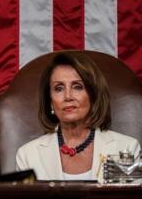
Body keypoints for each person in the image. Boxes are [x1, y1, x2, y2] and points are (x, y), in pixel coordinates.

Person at [16, 51, 141, 181]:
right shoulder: (28, 155)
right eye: (59, 88)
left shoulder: (126, 149)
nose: (68, 96)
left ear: (93, 95)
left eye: (77, 87)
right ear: (50, 101)